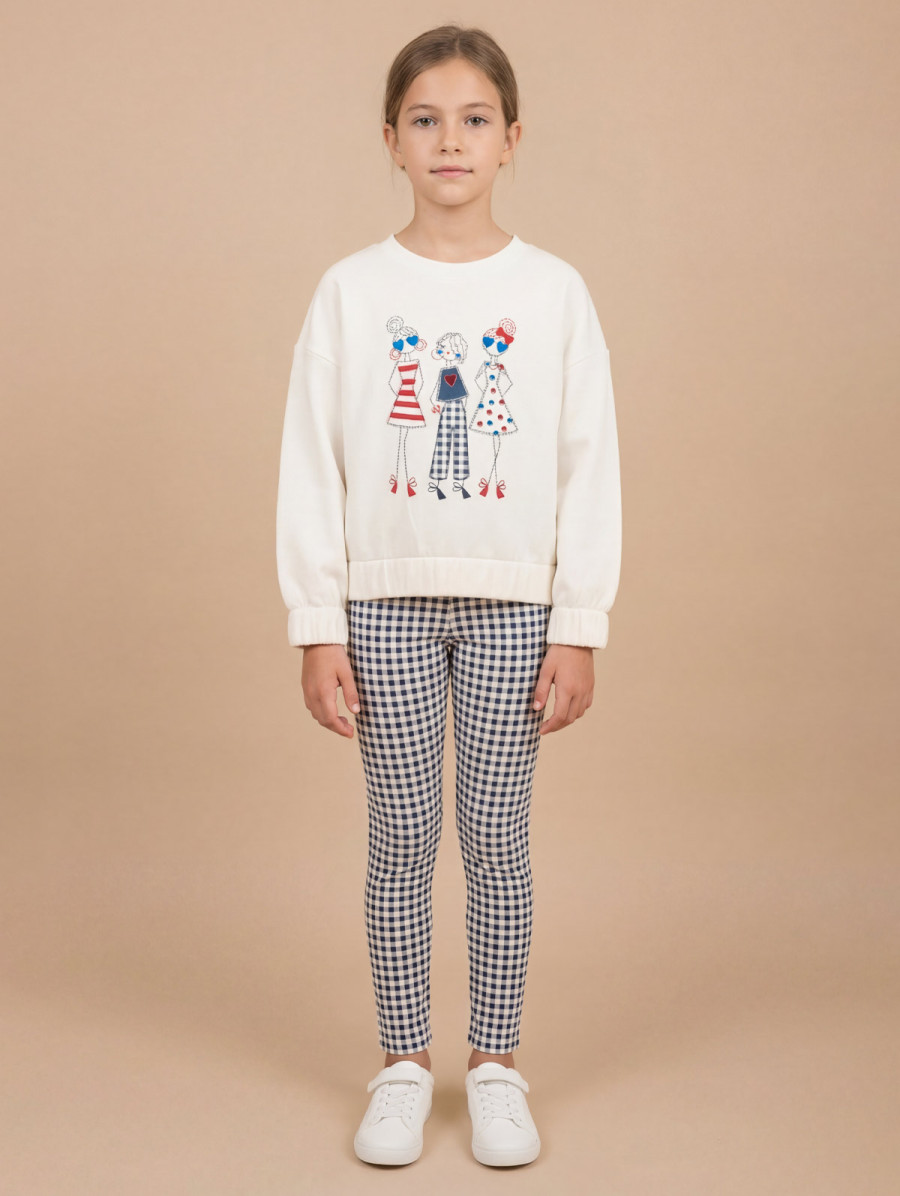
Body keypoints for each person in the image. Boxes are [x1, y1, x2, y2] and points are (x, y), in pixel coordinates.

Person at [275, 22, 622, 1169]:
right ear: (391, 139)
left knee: (496, 836)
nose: (450, 141)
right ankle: (402, 1064)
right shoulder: (350, 290)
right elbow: (311, 459)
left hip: (517, 607)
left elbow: (588, 459)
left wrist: (579, 620)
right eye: (426, 120)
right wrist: (317, 619)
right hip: (384, 606)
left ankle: (497, 1065)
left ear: (512, 138)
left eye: (474, 119)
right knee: (402, 835)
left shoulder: (555, 291)